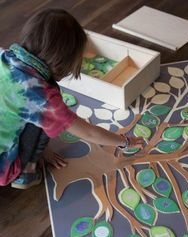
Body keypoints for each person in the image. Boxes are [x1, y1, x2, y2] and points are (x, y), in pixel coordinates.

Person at [0, 9, 144, 189]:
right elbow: (90, 133)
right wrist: (125, 141)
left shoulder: (2, 56)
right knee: (48, 118)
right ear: (64, 62)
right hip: (3, 166)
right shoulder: (43, 98)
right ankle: (26, 172)